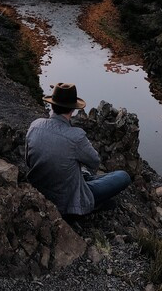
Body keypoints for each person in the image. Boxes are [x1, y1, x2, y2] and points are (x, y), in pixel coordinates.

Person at [25, 82, 131, 216]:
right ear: (72, 109)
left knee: (79, 171)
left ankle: (83, 179)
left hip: (38, 191)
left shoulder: (35, 125)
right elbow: (95, 162)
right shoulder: (76, 136)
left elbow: (29, 161)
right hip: (66, 203)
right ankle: (92, 204)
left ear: (52, 104)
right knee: (123, 176)